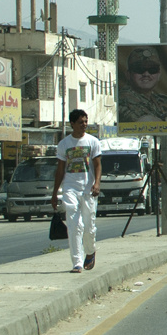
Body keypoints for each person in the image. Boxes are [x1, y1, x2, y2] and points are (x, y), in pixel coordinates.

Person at [50, 109, 103, 273]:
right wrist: (55, 192)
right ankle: (77, 262)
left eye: (86, 121)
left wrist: (97, 183)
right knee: (75, 225)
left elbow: (97, 165)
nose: (84, 125)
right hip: (70, 188)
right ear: (72, 124)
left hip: (88, 189)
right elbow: (60, 170)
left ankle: (90, 250)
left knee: (89, 227)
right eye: (81, 122)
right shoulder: (64, 144)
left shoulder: (93, 142)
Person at [117, 47, 167, 123]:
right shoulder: (124, 98)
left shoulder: (162, 100)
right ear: (128, 74)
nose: (146, 74)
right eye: (139, 69)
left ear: (159, 74)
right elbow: (144, 121)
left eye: (152, 69)